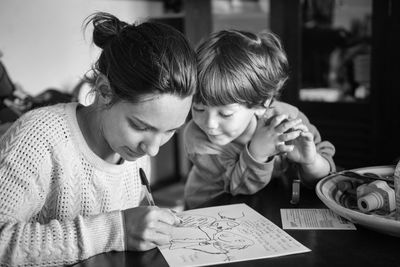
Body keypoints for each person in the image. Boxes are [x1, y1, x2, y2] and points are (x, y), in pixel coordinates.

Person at [0, 12, 197, 266]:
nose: (153, 149)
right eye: (140, 126)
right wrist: (116, 230)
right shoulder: (39, 136)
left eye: (171, 131)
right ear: (104, 91)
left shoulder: (134, 152)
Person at [183, 30, 336, 209]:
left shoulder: (287, 119)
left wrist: (310, 161)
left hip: (266, 206)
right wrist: (257, 153)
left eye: (225, 114)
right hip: (208, 211)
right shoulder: (198, 139)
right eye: (198, 108)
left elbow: (325, 178)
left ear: (261, 104)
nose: (209, 124)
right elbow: (238, 188)